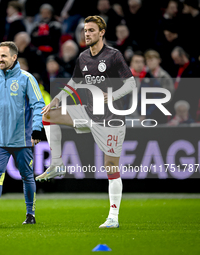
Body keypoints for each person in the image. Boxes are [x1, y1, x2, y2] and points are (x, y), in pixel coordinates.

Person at [36, 16, 136, 229]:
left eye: (91, 30)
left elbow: (131, 83)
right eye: (85, 30)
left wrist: (113, 96)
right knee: (49, 115)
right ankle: (56, 164)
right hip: (88, 113)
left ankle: (113, 217)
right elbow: (73, 83)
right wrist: (56, 100)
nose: (87, 34)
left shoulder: (113, 55)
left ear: (102, 33)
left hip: (111, 119)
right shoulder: (82, 57)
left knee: (110, 167)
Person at [0, 41, 45, 225]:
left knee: (27, 176)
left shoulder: (27, 79)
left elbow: (38, 105)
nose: (0, 59)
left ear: (14, 57)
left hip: (22, 139)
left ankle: (30, 214)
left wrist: (37, 129)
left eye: (4, 56)